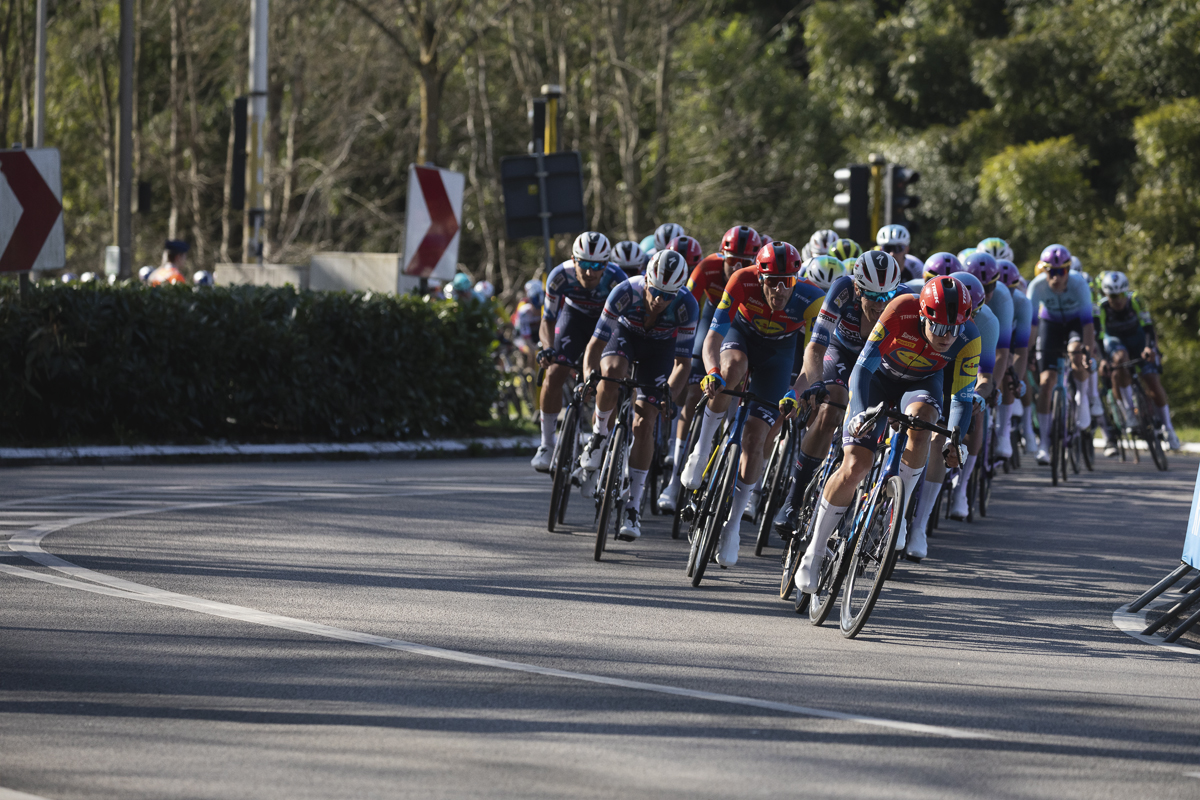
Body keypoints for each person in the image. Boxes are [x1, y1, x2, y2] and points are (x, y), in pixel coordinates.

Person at [796, 276, 979, 593]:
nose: (945, 337)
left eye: (953, 329)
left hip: (921, 384)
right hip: (877, 378)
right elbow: (862, 368)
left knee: (923, 423)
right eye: (937, 327)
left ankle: (901, 511)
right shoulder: (900, 309)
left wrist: (955, 440)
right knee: (855, 466)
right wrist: (859, 412)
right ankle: (814, 551)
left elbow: (961, 398)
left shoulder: (969, 338)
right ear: (922, 314)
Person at [678, 241, 826, 567]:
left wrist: (796, 391)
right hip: (740, 336)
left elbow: (813, 362)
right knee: (730, 371)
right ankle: (701, 450)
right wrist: (712, 372)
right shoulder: (741, 279)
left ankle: (731, 527)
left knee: (756, 439)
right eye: (772, 282)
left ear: (795, 279)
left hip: (778, 355)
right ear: (759, 278)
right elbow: (713, 337)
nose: (779, 290)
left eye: (786, 281)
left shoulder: (811, 298)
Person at [773, 251, 907, 535]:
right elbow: (816, 347)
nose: (881, 305)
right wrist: (816, 383)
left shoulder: (903, 301)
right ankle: (793, 500)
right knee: (831, 408)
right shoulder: (842, 291)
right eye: (873, 297)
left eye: (888, 297)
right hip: (842, 353)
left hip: (879, 366)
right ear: (858, 289)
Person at [580, 250, 699, 539]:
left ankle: (633, 506)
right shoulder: (625, 292)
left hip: (659, 351)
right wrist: (587, 378)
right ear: (646, 281)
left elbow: (682, 363)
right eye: (656, 291)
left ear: (679, 291)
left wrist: (668, 395)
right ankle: (598, 435)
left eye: (667, 295)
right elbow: (595, 345)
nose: (660, 300)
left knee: (646, 421)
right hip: (624, 338)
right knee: (612, 372)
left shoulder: (686, 305)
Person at [658, 225, 761, 512]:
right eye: (732, 261)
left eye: (745, 262)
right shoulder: (708, 267)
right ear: (722, 255)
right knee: (694, 394)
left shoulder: (754, 279)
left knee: (738, 390)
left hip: (743, 325)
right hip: (712, 321)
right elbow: (685, 301)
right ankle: (674, 479)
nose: (737, 267)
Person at [529, 233, 626, 472]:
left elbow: (626, 327)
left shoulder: (618, 280)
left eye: (597, 266)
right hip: (574, 319)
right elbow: (547, 320)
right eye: (584, 264)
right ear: (574, 260)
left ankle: (598, 444)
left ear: (606, 265)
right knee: (553, 372)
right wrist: (548, 348)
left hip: (607, 325)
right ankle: (547, 444)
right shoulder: (559, 276)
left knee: (606, 383)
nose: (590, 272)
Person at [1025, 244, 1096, 465]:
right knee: (1046, 383)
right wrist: (1028, 352)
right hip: (1050, 324)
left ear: (1068, 270)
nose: (1056, 278)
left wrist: (1087, 353)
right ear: (1043, 270)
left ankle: (1082, 398)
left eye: (1061, 272)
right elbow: (1033, 326)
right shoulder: (1036, 287)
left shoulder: (1079, 283)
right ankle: (1045, 443)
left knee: (1076, 352)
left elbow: (1087, 326)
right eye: (1051, 272)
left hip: (1075, 323)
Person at [1098, 270, 1180, 451]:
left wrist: (1150, 348)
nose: (1118, 300)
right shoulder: (1101, 308)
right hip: (1116, 341)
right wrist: (1104, 360)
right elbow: (1099, 337)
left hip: (1138, 340)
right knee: (1119, 359)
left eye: (1121, 294)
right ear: (1106, 294)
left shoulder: (1135, 300)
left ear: (1125, 292)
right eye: (1113, 295)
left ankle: (1169, 429)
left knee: (1153, 383)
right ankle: (1129, 412)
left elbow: (1149, 328)